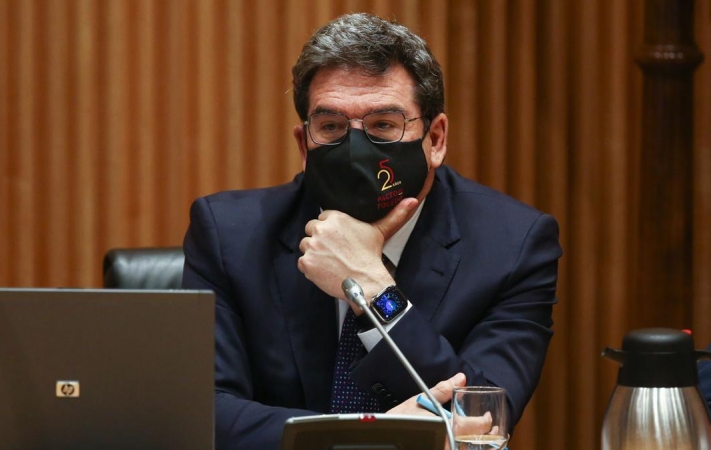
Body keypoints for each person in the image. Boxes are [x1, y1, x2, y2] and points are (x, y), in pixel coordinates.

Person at [182, 12, 562, 450]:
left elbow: (481, 418)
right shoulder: (229, 235)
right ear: (305, 146)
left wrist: (371, 284)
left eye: (384, 124)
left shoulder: (513, 245)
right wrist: (364, 438)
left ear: (435, 138)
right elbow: (203, 413)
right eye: (332, 127)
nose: (357, 152)